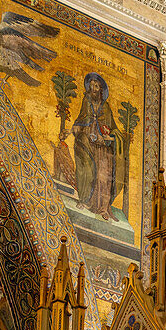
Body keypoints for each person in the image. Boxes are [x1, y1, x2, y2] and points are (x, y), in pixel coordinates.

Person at [72, 72, 120, 221]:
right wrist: (77, 127)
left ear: (101, 89)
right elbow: (81, 118)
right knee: (87, 169)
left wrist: (108, 137)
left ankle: (102, 208)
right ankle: (85, 201)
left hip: (103, 147)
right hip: (88, 142)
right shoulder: (86, 101)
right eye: (91, 86)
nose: (93, 88)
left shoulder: (105, 107)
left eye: (96, 86)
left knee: (103, 177)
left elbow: (113, 129)